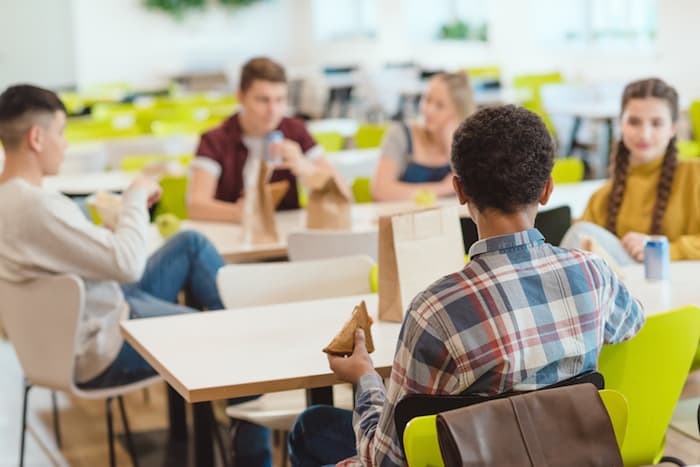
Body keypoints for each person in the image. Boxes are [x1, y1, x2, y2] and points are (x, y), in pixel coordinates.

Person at [288, 105, 645, 467]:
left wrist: (365, 378)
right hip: (566, 454)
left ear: (459, 189)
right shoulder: (592, 274)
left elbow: (387, 460)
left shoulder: (434, 310)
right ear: (547, 190)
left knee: (311, 427)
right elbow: (631, 323)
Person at [0, 85, 271, 466]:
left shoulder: (9, 199)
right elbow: (127, 263)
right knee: (226, 337)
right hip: (100, 342)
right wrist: (132, 199)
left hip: (87, 318)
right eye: (61, 134)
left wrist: (114, 227)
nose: (65, 145)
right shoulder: (36, 206)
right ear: (36, 137)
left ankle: (247, 343)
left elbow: (95, 259)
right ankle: (253, 430)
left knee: (190, 245)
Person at [561, 77, 700, 264]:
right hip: (627, 289)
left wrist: (665, 250)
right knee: (581, 233)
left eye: (656, 123)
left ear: (673, 128)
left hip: (685, 286)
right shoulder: (602, 197)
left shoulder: (695, 174)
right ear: (621, 124)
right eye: (634, 122)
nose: (644, 134)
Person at [188, 56, 343, 222]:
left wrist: (307, 169)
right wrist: (239, 213)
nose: (273, 110)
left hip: (288, 237)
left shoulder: (295, 131)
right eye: (263, 100)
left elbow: (343, 193)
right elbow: (196, 205)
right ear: (240, 97)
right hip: (233, 236)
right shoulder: (215, 140)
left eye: (280, 100)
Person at [371, 72, 476, 201]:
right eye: (427, 100)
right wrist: (443, 188)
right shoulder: (400, 134)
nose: (428, 110)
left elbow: (473, 191)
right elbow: (380, 191)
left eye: (439, 106)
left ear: (458, 113)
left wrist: (451, 144)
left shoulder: (469, 142)